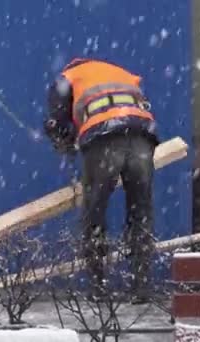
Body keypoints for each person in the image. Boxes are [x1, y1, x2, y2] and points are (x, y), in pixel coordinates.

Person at [43, 57, 159, 303]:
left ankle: (99, 288)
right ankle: (142, 287)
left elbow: (58, 122)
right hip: (142, 137)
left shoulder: (66, 78)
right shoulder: (120, 72)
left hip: (104, 139)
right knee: (141, 211)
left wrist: (62, 141)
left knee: (94, 212)